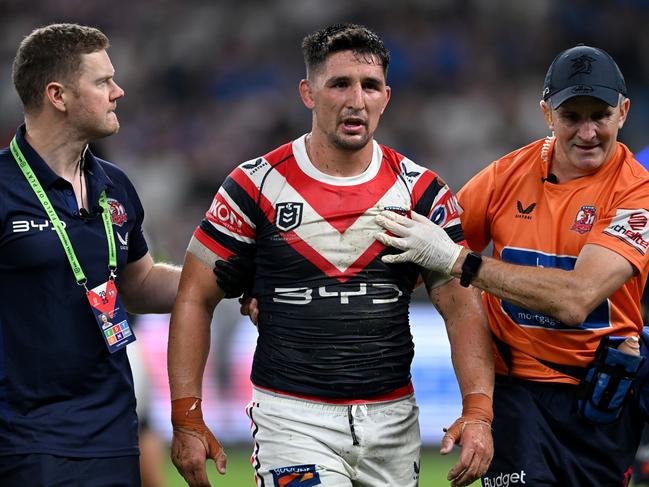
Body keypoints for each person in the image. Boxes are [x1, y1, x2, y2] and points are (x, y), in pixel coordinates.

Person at [168, 23, 494, 487]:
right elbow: (194, 296)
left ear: (387, 96)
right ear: (308, 92)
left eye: (370, 86)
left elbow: (461, 307)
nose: (356, 99)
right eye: (339, 83)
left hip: (394, 422)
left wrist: (478, 411)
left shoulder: (421, 191)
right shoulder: (253, 186)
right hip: (292, 421)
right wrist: (187, 416)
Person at [374, 44, 649, 486]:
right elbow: (426, 254)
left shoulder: (637, 194)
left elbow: (578, 298)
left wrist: (465, 263)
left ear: (623, 112)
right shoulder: (506, 176)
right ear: (546, 113)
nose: (587, 131)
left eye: (599, 114)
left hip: (601, 403)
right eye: (571, 116)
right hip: (516, 393)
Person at [0, 23, 180, 486]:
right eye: (102, 82)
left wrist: (233, 277)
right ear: (57, 95)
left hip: (113, 433)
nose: (118, 91)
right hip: (24, 438)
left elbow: (139, 284)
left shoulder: (114, 184)